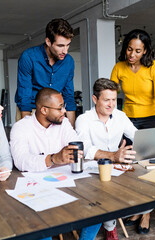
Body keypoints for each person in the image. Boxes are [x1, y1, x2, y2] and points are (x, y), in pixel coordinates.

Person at [10, 87, 101, 239]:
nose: (64, 111)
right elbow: (21, 160)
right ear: (44, 110)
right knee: (41, 225)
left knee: (100, 206)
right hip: (37, 187)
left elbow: (76, 143)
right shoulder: (21, 128)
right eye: (60, 108)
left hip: (67, 181)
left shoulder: (63, 123)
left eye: (64, 106)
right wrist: (53, 159)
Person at [76, 78, 152, 239]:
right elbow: (86, 149)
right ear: (95, 99)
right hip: (92, 172)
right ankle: (110, 228)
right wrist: (113, 156)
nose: (111, 105)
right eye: (106, 100)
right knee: (104, 192)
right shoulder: (84, 119)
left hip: (117, 168)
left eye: (113, 100)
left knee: (148, 181)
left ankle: (137, 215)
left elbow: (137, 136)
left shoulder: (120, 116)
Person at [110, 29, 155, 230]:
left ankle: (146, 215)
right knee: (130, 167)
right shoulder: (119, 67)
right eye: (129, 49)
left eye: (137, 51)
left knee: (148, 168)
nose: (132, 55)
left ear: (145, 51)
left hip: (150, 119)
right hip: (127, 121)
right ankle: (136, 209)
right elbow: (110, 96)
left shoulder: (154, 67)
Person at [15, 18, 77, 127]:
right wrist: (27, 128)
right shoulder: (29, 57)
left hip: (56, 109)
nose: (65, 51)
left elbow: (69, 96)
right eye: (60, 46)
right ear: (48, 41)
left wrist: (71, 129)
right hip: (32, 108)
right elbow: (25, 96)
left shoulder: (69, 61)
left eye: (68, 45)